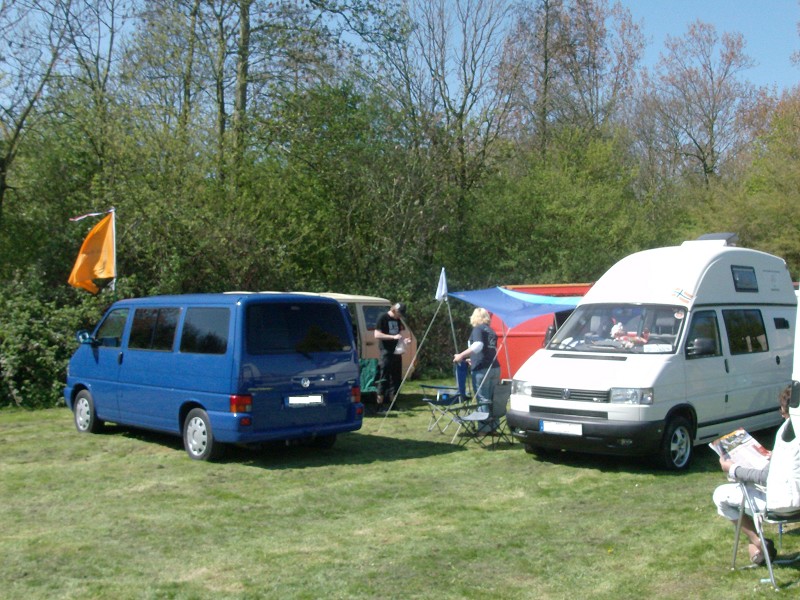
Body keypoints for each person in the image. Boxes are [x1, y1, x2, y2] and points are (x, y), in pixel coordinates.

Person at [712, 386, 795, 566]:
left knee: (721, 495)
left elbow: (766, 477)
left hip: (783, 505)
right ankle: (758, 544)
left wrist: (733, 469)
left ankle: (758, 542)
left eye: (782, 411)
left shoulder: (787, 435)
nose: (781, 415)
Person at [453, 307, 501, 434]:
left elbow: (478, 345)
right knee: (492, 398)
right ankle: (494, 427)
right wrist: (472, 359)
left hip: (482, 369)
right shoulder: (491, 331)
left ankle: (484, 429)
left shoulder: (478, 329)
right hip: (495, 367)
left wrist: (461, 356)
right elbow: (491, 350)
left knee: (483, 399)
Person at [373, 302, 411, 410]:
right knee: (383, 377)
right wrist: (392, 337)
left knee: (396, 379)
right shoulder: (383, 318)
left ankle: (393, 404)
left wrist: (405, 340)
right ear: (395, 310)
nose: (400, 316)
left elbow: (399, 335)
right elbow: (376, 334)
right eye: (400, 314)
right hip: (386, 352)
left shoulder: (397, 320)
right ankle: (379, 405)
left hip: (397, 352)